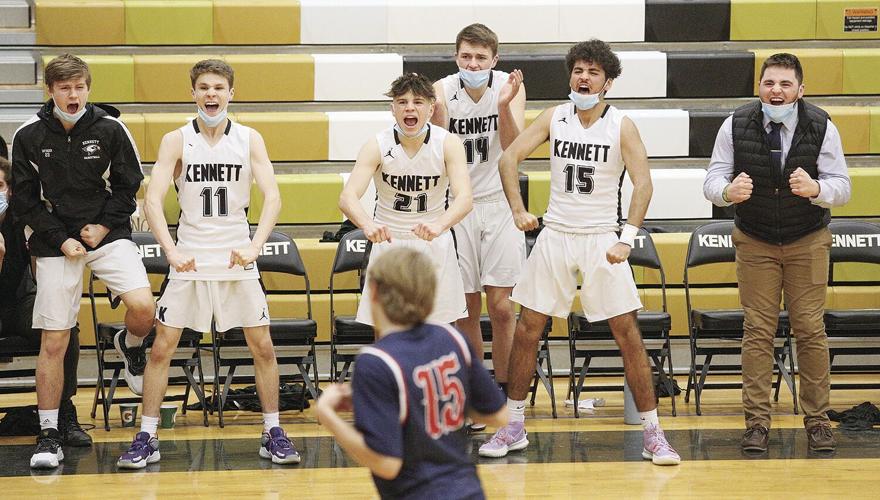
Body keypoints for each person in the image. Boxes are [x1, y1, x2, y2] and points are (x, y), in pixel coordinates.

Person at [479, 40, 681, 465]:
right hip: (555, 233)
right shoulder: (555, 116)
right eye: (577, 70)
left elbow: (643, 184)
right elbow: (508, 159)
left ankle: (653, 433)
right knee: (528, 327)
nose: (583, 77)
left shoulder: (622, 125)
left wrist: (628, 236)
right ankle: (513, 424)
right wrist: (517, 209)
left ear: (608, 81)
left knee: (628, 335)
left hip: (601, 236)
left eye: (592, 72)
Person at [116, 59, 298, 469]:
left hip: (237, 257)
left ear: (231, 93)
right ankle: (147, 435)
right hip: (191, 260)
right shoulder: (176, 140)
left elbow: (273, 197)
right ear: (193, 93)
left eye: (218, 87)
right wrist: (172, 252)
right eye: (203, 87)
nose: (211, 94)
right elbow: (152, 200)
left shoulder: (250, 138)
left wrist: (255, 246)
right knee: (162, 348)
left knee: (263, 346)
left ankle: (273, 431)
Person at [11, 54, 155, 469]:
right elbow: (23, 200)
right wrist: (62, 239)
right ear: (51, 91)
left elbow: (129, 185)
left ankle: (129, 345)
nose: (73, 96)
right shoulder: (29, 135)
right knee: (54, 340)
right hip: (55, 240)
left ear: (88, 87)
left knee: (144, 307)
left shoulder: (111, 128)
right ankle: (49, 434)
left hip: (105, 233)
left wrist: (104, 227)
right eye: (64, 88)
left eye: (79, 87)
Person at [703, 53, 851, 453]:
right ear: (760, 87)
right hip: (755, 238)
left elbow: (843, 184)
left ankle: (818, 421)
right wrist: (725, 192)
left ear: (801, 90)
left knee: (809, 328)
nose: (777, 90)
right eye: (770, 82)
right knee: (758, 331)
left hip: (807, 238)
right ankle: (756, 423)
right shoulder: (734, 123)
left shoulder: (822, 125)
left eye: (786, 84)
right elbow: (713, 177)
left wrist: (818, 190)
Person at [316, 247, 507, 499]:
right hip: (469, 491)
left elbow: (387, 463)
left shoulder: (375, 361)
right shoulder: (453, 338)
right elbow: (499, 415)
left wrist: (328, 417)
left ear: (373, 291)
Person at [431, 23, 526, 400]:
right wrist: (437, 114)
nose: (472, 63)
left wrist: (503, 106)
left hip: (501, 203)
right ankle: (476, 390)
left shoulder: (508, 85)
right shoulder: (441, 90)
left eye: (480, 57)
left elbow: (514, 149)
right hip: (459, 205)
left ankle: (504, 388)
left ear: (494, 59)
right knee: (467, 307)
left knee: (502, 306)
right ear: (456, 58)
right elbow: (436, 147)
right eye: (466, 56)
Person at [339, 73, 472, 326]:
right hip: (389, 241)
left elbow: (464, 198)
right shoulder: (376, 144)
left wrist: (440, 224)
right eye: (402, 102)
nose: (410, 107)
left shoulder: (448, 143)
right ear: (393, 109)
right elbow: (347, 197)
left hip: (434, 239)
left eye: (418, 102)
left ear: (432, 108)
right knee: (387, 328)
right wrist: (368, 224)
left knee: (440, 328)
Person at [0, 157, 91, 449]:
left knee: (63, 324)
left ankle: (64, 412)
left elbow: (39, 273)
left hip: (17, 303)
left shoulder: (23, 217)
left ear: (9, 190)